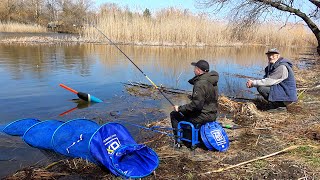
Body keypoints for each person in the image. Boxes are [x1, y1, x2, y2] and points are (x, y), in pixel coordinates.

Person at [170, 60, 219, 145]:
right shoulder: (212, 80)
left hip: (204, 116)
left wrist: (180, 108)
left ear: (199, 71)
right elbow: (208, 98)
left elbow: (196, 106)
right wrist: (193, 98)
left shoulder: (200, 84)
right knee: (186, 112)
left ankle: (180, 141)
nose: (193, 70)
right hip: (213, 114)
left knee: (174, 114)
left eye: (195, 68)